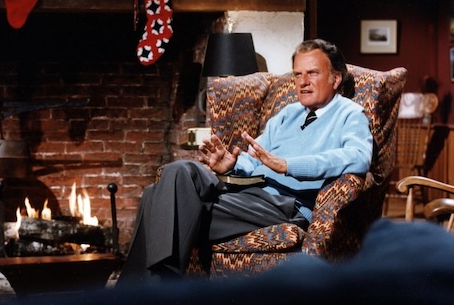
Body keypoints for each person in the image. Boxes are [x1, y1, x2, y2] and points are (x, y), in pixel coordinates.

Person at [116, 39, 373, 286]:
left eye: (312, 73)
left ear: (335, 78)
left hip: (283, 206)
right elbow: (255, 157)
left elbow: (358, 157)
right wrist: (232, 165)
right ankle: (157, 285)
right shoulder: (289, 114)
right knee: (178, 173)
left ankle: (144, 289)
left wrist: (288, 165)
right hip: (247, 196)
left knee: (158, 198)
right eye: (297, 74)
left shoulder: (350, 114)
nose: (303, 82)